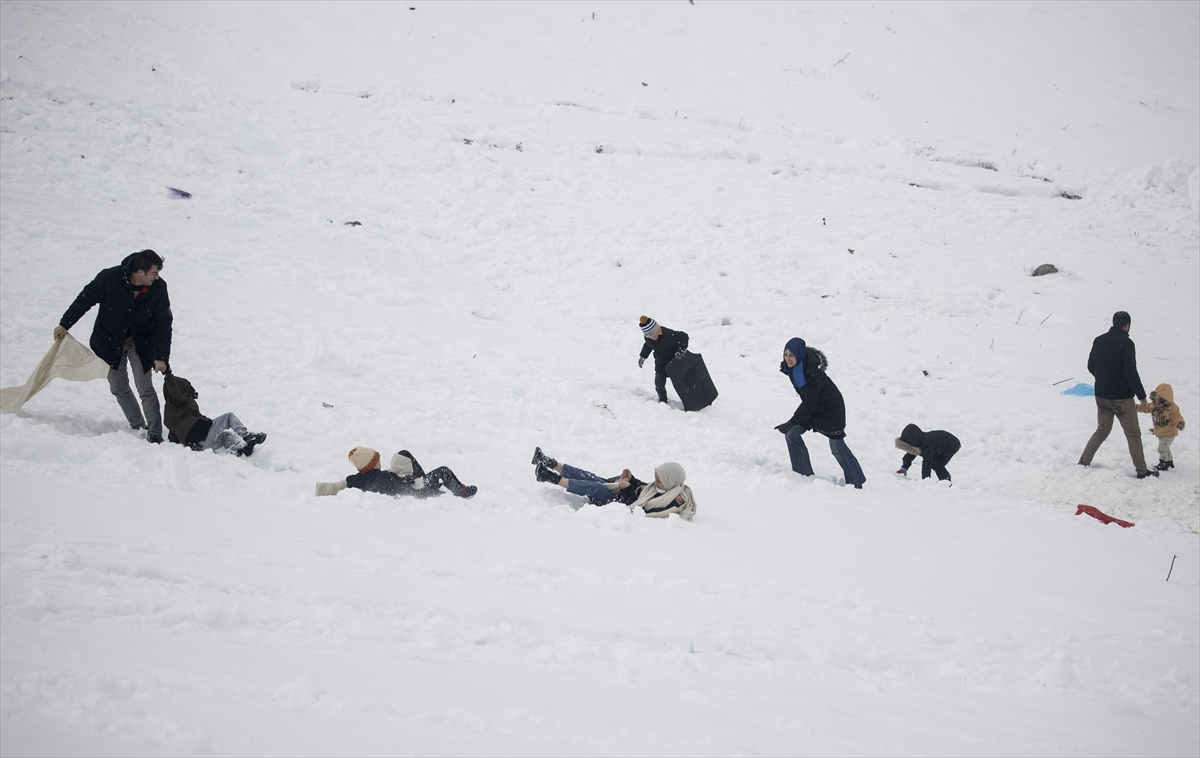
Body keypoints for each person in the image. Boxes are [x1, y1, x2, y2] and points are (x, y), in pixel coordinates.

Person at [53, 250, 172, 443]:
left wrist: (161, 356)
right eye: (154, 273)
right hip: (109, 343)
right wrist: (64, 324)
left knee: (145, 387)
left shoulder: (158, 287)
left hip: (140, 343)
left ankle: (155, 433)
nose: (157, 277)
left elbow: (163, 323)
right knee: (119, 386)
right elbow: (85, 299)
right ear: (140, 272)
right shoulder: (109, 278)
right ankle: (138, 426)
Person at [774, 337, 866, 489]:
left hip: (832, 410)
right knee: (792, 434)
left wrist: (792, 421)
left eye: (791, 355)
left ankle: (856, 482)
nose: (788, 359)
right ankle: (803, 474)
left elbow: (809, 402)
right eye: (785, 355)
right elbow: (808, 401)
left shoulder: (811, 371)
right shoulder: (792, 369)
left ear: (800, 354)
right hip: (814, 408)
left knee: (837, 448)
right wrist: (793, 423)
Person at [1077, 311, 1157, 478]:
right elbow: (1131, 372)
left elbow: (1091, 366)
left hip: (1101, 395)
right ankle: (1142, 471)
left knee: (1101, 430)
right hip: (1122, 398)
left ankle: (1084, 461)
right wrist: (1141, 396)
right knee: (1133, 434)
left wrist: (1103, 380)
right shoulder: (1127, 344)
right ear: (1127, 325)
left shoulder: (1099, 340)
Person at [532, 447, 696, 520]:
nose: (655, 482)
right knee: (593, 478)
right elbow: (644, 489)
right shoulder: (665, 487)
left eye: (659, 480)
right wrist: (631, 479)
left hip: (622, 508)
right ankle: (551, 463)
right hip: (624, 497)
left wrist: (628, 489)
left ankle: (550, 477)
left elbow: (639, 510)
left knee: (595, 487)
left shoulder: (672, 503)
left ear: (670, 481)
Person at [161, 370, 267, 456]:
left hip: (198, 446)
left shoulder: (169, 413)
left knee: (225, 435)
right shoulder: (179, 400)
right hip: (201, 434)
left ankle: (234, 451)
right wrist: (168, 375)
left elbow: (173, 438)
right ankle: (247, 436)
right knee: (228, 417)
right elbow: (175, 393)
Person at [315, 446, 477, 498]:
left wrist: (323, 489)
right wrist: (408, 481)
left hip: (408, 482)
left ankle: (433, 486)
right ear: (371, 466)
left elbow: (341, 485)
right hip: (418, 489)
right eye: (376, 460)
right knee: (444, 471)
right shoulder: (382, 478)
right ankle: (461, 492)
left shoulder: (359, 479)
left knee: (403, 453)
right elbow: (397, 488)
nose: (380, 461)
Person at [637, 316, 688, 404]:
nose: (652, 337)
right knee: (659, 385)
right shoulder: (649, 339)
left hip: (674, 363)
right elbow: (648, 345)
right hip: (660, 364)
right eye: (649, 335)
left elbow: (683, 336)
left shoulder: (668, 334)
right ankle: (663, 400)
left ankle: (689, 399)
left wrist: (681, 349)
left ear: (658, 329)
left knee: (682, 384)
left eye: (654, 333)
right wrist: (643, 356)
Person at [1138, 383, 1185, 471]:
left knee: (1162, 448)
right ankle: (1169, 461)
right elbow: (1143, 408)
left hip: (1169, 433)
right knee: (1166, 448)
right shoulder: (1152, 405)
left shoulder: (1172, 408)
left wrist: (1180, 423)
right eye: (1157, 400)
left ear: (1167, 401)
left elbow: (1177, 416)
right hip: (1161, 432)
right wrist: (1133, 407)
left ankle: (1164, 462)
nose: (1159, 403)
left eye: (1162, 401)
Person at [894, 424, 961, 482]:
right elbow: (909, 455)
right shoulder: (918, 442)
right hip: (939, 445)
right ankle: (944, 480)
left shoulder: (926, 446)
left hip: (951, 445)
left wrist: (926, 480)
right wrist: (904, 468)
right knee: (934, 463)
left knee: (938, 465)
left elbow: (927, 463)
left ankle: (946, 482)